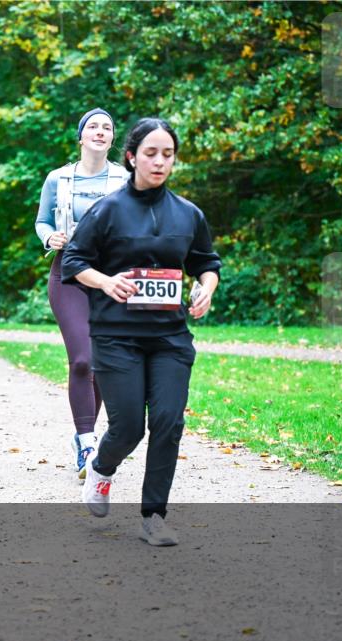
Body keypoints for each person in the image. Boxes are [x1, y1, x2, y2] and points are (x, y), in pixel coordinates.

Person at [61, 117, 221, 546]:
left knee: (168, 422)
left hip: (170, 338)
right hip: (116, 335)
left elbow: (206, 263)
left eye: (168, 154)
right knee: (129, 427)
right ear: (131, 157)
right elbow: (74, 261)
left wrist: (205, 289)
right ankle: (101, 467)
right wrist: (105, 281)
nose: (159, 161)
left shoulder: (188, 214)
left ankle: (154, 516)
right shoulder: (108, 210)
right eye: (150, 153)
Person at [34, 108, 130, 484]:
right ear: (81, 136)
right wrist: (50, 237)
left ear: (112, 138)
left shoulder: (126, 179)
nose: (100, 131)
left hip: (111, 278)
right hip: (69, 274)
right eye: (93, 126)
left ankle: (88, 438)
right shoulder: (57, 178)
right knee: (82, 360)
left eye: (107, 127)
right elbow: (42, 220)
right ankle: (87, 444)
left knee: (101, 361)